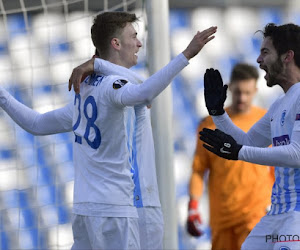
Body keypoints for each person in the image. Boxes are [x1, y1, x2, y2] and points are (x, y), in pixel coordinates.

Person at [0, 11, 217, 250]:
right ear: (116, 43)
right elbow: (143, 91)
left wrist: (3, 96)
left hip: (85, 209)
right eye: (133, 36)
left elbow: (36, 124)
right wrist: (187, 54)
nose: (139, 42)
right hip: (127, 207)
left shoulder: (84, 93)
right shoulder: (115, 88)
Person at [199, 23, 300, 250]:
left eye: (265, 52)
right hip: (277, 214)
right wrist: (218, 114)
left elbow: (297, 154)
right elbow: (248, 142)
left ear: (287, 57)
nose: (258, 60)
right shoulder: (279, 105)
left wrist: (239, 153)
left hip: (297, 216)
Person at [187, 63, 274, 250]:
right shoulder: (209, 124)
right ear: (230, 87)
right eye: (238, 92)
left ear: (256, 90)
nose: (242, 97)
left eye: (248, 93)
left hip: (255, 213)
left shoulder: (266, 121)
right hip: (222, 216)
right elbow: (198, 169)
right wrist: (193, 206)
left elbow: (276, 166)